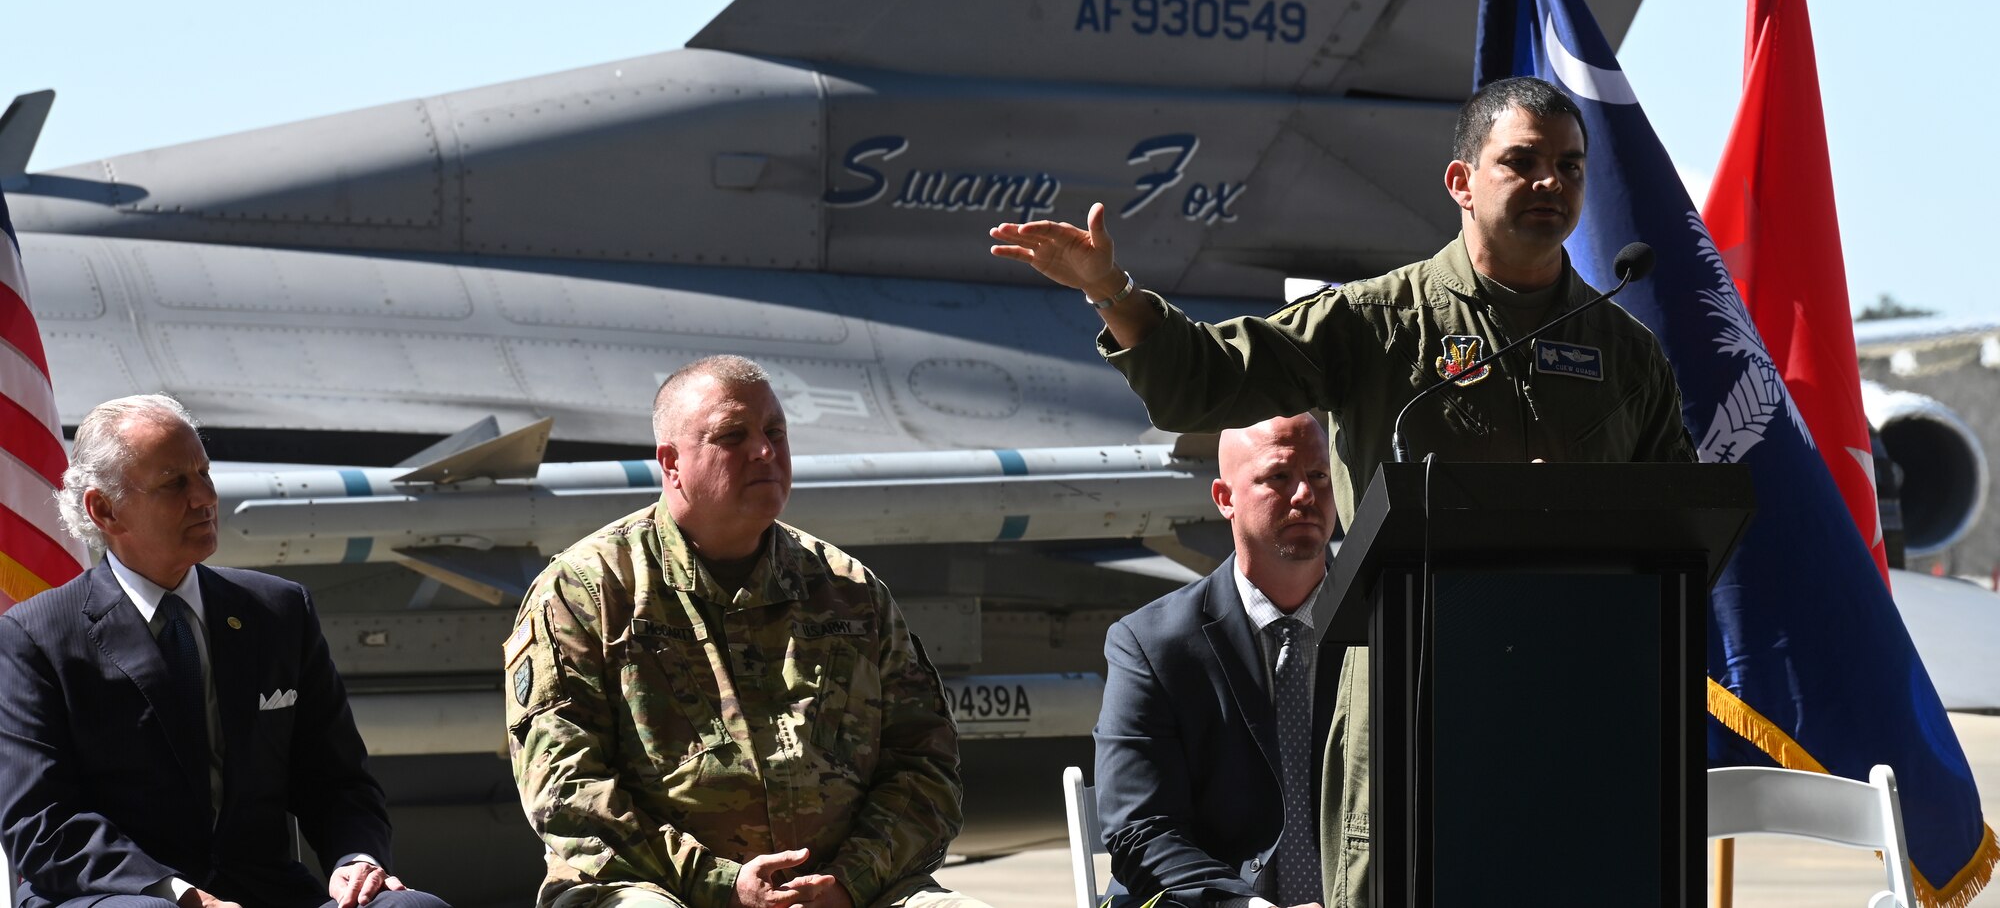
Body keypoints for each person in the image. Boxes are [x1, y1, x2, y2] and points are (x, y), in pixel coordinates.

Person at [990, 75, 1698, 908]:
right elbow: (1207, 380)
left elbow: (1681, 526)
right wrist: (1113, 291)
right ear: (1462, 182)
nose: (1552, 183)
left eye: (1570, 166)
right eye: (1524, 162)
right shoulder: (1381, 322)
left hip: (1571, 706)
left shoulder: (1626, 351)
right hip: (1415, 710)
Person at [506, 355, 986, 908]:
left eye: (774, 431)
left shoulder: (848, 589)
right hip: (652, 887)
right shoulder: (587, 592)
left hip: (846, 894)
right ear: (672, 463)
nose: (764, 451)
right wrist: (720, 885)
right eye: (733, 436)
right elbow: (566, 791)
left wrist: (851, 881)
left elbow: (924, 767)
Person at [0, 394, 444, 908]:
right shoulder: (35, 637)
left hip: (265, 892)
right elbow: (42, 824)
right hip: (121, 894)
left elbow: (338, 781)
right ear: (103, 509)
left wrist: (356, 861)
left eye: (204, 474)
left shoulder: (278, 610)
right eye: (175, 484)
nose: (204, 498)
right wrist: (182, 895)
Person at [1094, 414, 1337, 908]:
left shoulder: (1388, 620)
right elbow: (1141, 830)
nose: (1305, 496)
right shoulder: (1150, 644)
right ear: (1225, 498)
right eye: (1279, 477)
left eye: (1318, 477)